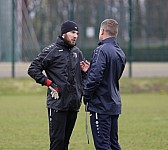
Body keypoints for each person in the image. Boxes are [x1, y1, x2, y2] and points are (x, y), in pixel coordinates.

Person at [28, 21, 86, 150]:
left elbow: (82, 78)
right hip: (57, 104)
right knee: (57, 143)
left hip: (74, 105)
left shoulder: (78, 52)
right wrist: (49, 83)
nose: (75, 36)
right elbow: (33, 69)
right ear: (64, 33)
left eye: (77, 33)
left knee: (65, 143)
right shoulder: (52, 50)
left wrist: (85, 75)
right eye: (72, 32)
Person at [80, 19, 126, 150]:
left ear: (102, 31)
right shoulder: (120, 52)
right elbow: (110, 76)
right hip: (113, 103)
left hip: (100, 105)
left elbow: (95, 78)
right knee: (113, 144)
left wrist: (86, 95)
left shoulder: (101, 50)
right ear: (116, 33)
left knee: (102, 145)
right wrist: (90, 69)